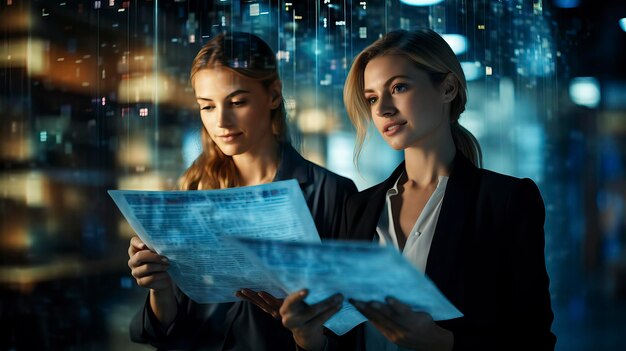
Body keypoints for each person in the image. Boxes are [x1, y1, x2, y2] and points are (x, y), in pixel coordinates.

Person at [279, 29, 556, 351]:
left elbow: (535, 339)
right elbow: (346, 338)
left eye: (398, 87)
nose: (382, 109)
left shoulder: (505, 200)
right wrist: (309, 340)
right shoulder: (358, 206)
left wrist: (443, 343)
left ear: (448, 88)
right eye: (371, 98)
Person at [126, 31, 357, 350]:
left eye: (237, 102)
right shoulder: (192, 188)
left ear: (273, 95)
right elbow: (167, 330)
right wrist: (159, 288)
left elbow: (347, 331)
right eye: (207, 107)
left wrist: (308, 336)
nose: (221, 121)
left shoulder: (333, 194)